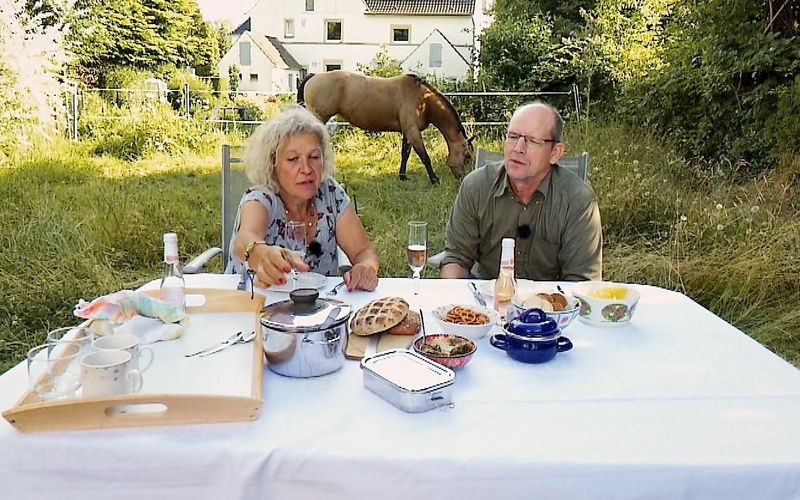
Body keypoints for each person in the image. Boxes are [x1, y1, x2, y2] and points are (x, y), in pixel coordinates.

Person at [439, 101, 602, 281]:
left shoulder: (578, 201)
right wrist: (454, 300)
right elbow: (457, 259)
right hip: (484, 300)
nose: (518, 149)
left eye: (532, 141)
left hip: (549, 304)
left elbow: (582, 283)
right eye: (513, 137)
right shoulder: (476, 187)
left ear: (555, 153)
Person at [226, 105, 379, 291]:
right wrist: (261, 253)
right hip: (254, 307)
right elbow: (244, 240)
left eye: (314, 157)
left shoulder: (330, 193)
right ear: (273, 164)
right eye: (293, 159)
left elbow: (364, 251)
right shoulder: (260, 198)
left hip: (319, 312)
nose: (306, 169)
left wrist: (365, 268)